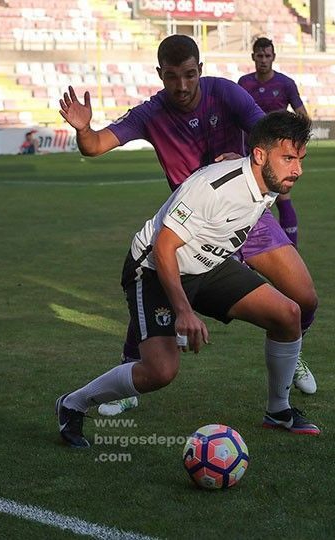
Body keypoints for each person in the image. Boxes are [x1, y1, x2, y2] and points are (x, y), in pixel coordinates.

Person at [59, 35, 318, 415]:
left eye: (190, 75)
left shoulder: (225, 93)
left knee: (303, 300)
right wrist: (84, 130)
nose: (182, 85)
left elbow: (269, 135)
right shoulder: (151, 113)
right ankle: (130, 377)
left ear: (201, 70)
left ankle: (289, 353)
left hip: (247, 210)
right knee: (162, 284)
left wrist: (248, 158)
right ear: (160, 75)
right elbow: (95, 146)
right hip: (193, 220)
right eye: (172, 77)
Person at [237, 37, 309, 249]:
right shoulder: (244, 83)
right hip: (251, 152)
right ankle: (250, 253)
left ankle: (290, 251)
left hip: (278, 154)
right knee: (250, 201)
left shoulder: (285, 84)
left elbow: (302, 116)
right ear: (253, 57)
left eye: (267, 56)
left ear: (273, 57)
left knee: (283, 198)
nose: (263, 60)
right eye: (259, 56)